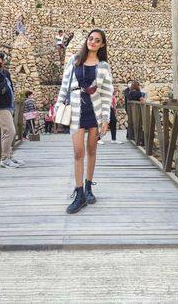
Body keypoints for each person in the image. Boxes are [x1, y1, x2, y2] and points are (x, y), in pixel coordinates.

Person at [55, 28, 113, 214]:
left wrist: (105, 118)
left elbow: (106, 93)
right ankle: (79, 193)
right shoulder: (74, 59)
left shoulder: (103, 66)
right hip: (76, 110)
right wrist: (58, 108)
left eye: (97, 40)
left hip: (94, 111)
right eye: (91, 38)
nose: (93, 42)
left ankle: (88, 187)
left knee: (92, 150)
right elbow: (65, 85)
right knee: (78, 152)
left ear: (102, 44)